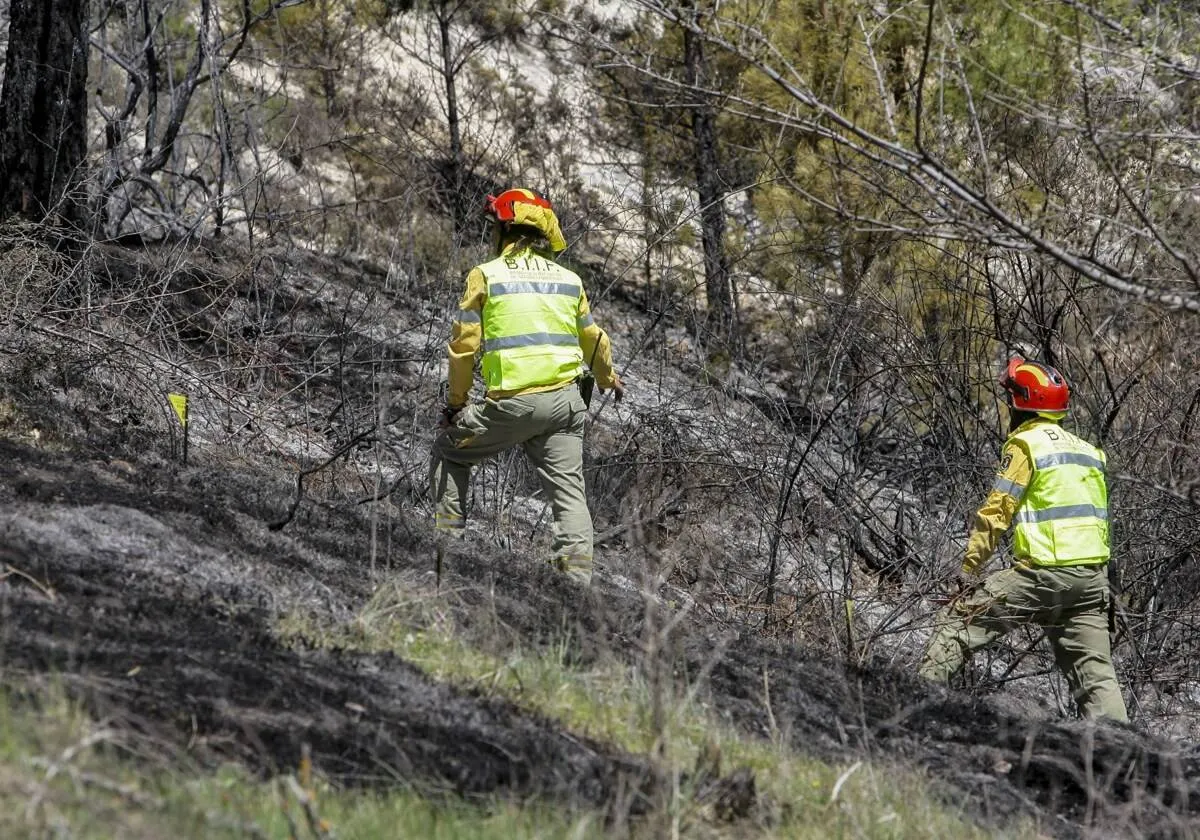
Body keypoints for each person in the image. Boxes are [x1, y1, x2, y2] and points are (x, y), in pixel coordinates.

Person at [429, 187, 624, 586]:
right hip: (567, 405)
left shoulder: (485, 276)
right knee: (570, 496)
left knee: (450, 452)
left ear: (503, 230)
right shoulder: (570, 280)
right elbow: (595, 339)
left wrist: (456, 405)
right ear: (541, 233)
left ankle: (447, 552)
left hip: (513, 404)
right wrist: (608, 378)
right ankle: (576, 587)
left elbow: (463, 349)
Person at [919, 357, 1128, 722]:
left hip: (1042, 576)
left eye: (1010, 397)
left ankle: (912, 711)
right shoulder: (1089, 453)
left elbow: (996, 511)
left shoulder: (1027, 446)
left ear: (1022, 403)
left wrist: (969, 569)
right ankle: (1127, 758)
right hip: (1092, 581)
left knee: (957, 624)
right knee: (1097, 678)